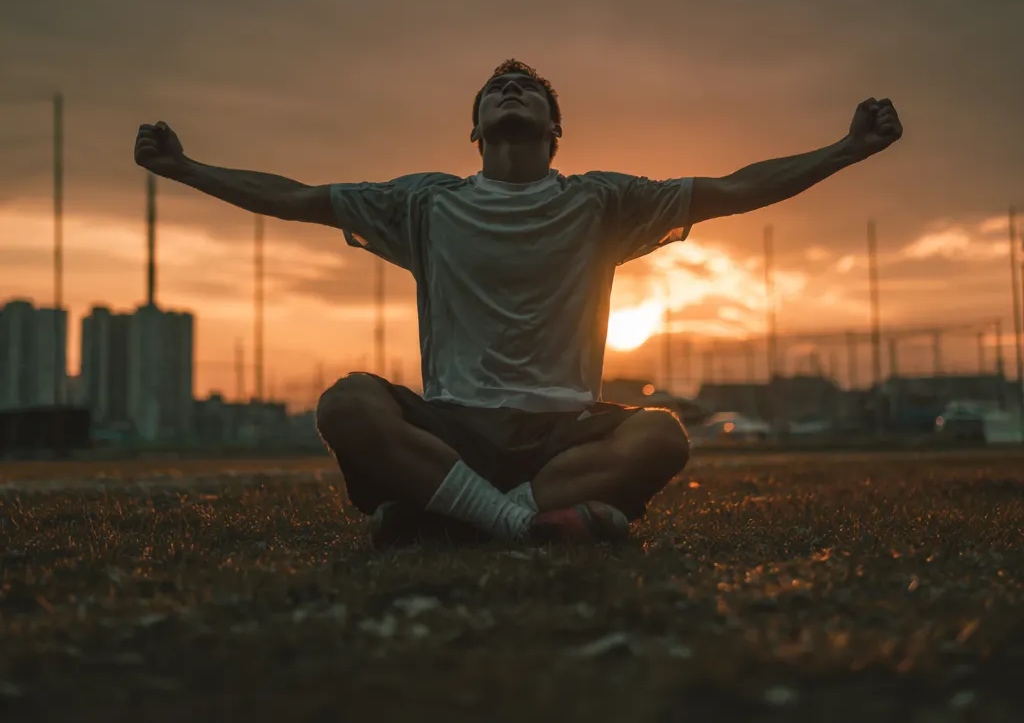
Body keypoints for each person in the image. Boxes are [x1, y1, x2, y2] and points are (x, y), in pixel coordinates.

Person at [134, 58, 903, 546]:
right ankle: (516, 522)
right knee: (345, 406)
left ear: (553, 129)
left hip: (563, 432)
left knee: (663, 438)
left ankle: (446, 517)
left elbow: (737, 188)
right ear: (474, 130)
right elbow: (297, 196)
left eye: (525, 87)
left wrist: (846, 149)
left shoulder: (603, 202)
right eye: (496, 89)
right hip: (453, 423)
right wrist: (187, 168)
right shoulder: (423, 205)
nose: (510, 90)